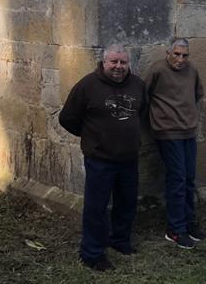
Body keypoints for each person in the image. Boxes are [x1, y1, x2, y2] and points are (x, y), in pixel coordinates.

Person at [59, 44, 147, 271]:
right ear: (104, 62)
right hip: (100, 160)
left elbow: (142, 112)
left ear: (129, 63)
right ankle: (92, 253)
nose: (119, 67)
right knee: (96, 208)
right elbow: (67, 118)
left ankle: (120, 240)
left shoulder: (137, 85)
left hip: (129, 158)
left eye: (123, 62)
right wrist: (92, 137)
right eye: (114, 62)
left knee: (126, 202)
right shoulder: (87, 85)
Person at [144, 37, 206, 249]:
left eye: (184, 55)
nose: (180, 59)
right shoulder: (157, 70)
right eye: (176, 54)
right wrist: (159, 118)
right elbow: (146, 96)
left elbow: (198, 94)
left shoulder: (192, 70)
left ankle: (188, 222)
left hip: (188, 130)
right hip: (168, 132)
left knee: (189, 178)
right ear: (168, 53)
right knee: (177, 178)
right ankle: (175, 229)